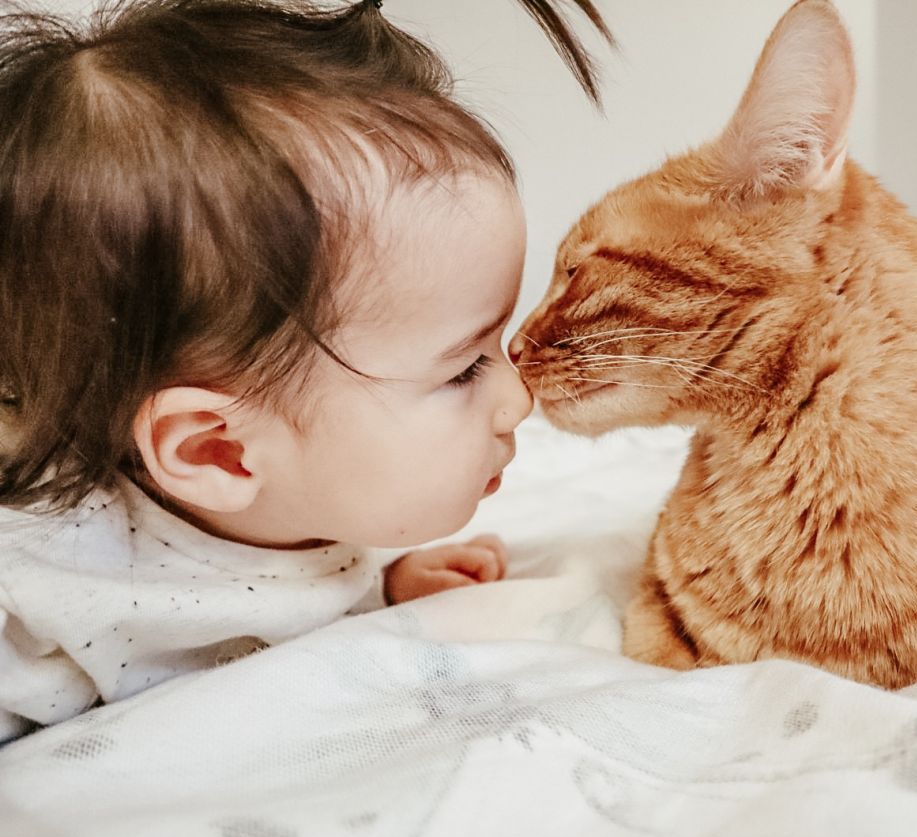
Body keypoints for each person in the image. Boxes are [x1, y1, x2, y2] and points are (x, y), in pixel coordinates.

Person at [0, 0, 610, 742]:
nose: (518, 397)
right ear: (217, 451)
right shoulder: (42, 592)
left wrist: (375, 590)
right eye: (462, 371)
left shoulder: (287, 489)